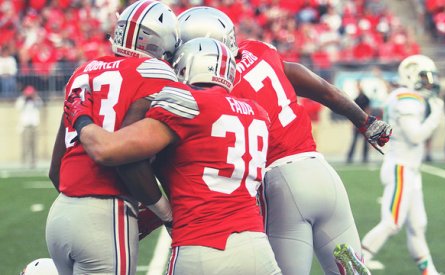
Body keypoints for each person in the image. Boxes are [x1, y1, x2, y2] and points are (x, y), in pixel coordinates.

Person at [176, 7, 391, 275]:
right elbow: (325, 90)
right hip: (322, 172)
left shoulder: (214, 87)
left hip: (280, 183)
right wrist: (365, 121)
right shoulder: (260, 52)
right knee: (352, 271)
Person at [64, 37, 282, 275]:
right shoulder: (257, 113)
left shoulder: (186, 101)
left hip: (202, 247)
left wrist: (81, 116)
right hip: (257, 247)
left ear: (186, 67)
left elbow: (108, 150)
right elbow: (195, 166)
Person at [46, 1, 179, 274]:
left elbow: (55, 170)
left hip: (60, 215)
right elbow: (127, 159)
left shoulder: (84, 72)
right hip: (107, 211)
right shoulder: (159, 73)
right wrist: (166, 214)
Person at [360, 54, 445, 274]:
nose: (429, 83)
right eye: (425, 77)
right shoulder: (407, 97)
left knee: (418, 226)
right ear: (411, 75)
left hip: (409, 169)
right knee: (392, 222)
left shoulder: (407, 96)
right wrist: (435, 115)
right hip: (400, 167)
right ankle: (356, 266)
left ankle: (430, 272)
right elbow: (415, 135)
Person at [15, 85, 43, 169]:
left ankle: (33, 161)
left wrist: (34, 98)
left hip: (34, 125)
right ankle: (24, 161)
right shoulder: (22, 100)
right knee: (25, 144)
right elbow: (18, 107)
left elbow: (40, 105)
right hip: (25, 126)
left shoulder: (37, 100)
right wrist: (25, 99)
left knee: (34, 144)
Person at [346, 80, 371, 163]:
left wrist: (367, 122)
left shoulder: (365, 98)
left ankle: (365, 158)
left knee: (365, 142)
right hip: (357, 123)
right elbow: (352, 112)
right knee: (354, 141)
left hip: (364, 123)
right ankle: (349, 158)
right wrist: (352, 123)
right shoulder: (356, 99)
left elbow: (368, 110)